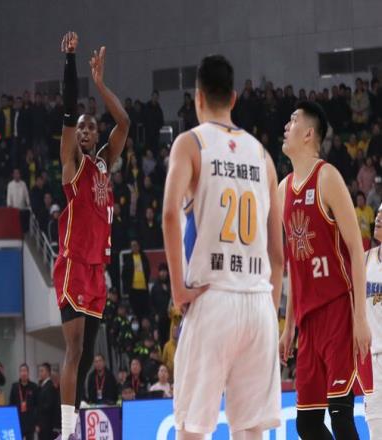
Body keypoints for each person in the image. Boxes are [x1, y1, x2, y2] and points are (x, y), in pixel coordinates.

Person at [162, 55, 283, 439]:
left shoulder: (190, 143)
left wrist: (178, 290)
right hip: (258, 302)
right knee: (250, 430)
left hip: (213, 296)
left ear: (198, 98)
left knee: (192, 429)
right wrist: (270, 309)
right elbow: (277, 254)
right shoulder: (263, 156)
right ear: (233, 98)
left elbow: (169, 215)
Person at [279, 101, 373, 439]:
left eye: (292, 121)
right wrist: (288, 327)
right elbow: (294, 264)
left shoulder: (327, 177)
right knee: (306, 424)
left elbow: (356, 250)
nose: (286, 127)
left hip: (337, 311)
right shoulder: (282, 190)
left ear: (308, 134)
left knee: (341, 417)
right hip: (307, 322)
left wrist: (360, 318)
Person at [53, 32, 129, 440]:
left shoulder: (104, 163)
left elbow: (125, 122)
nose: (83, 130)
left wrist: (100, 85)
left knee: (84, 359)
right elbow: (68, 111)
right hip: (74, 264)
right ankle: (67, 432)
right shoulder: (73, 164)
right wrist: (71, 61)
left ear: (97, 136)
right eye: (80, 127)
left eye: (90, 127)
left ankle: (71, 420)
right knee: (75, 348)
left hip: (98, 269)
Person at [364, 205, 382, 439]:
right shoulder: (365, 259)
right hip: (373, 360)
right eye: (378, 213)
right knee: (376, 431)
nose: (378, 218)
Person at [122, 240, 151, 322]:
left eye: (135, 245)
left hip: (143, 289)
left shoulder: (144, 257)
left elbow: (148, 271)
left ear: (139, 246)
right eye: (132, 246)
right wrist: (127, 286)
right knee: (135, 311)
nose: (134, 247)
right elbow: (124, 274)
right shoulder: (128, 259)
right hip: (133, 290)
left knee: (144, 311)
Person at [9, 364, 38, 440]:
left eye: (25, 371)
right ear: (19, 373)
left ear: (28, 373)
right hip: (18, 420)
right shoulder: (14, 387)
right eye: (21, 371)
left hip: (30, 421)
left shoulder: (34, 386)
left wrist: (37, 423)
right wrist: (11, 420)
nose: (23, 373)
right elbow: (11, 404)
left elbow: (37, 405)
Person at [36, 363, 60, 440]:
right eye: (39, 371)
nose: (40, 373)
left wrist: (38, 408)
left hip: (47, 423)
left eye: (42, 371)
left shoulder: (50, 386)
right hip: (42, 423)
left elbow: (49, 404)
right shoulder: (41, 385)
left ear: (48, 372)